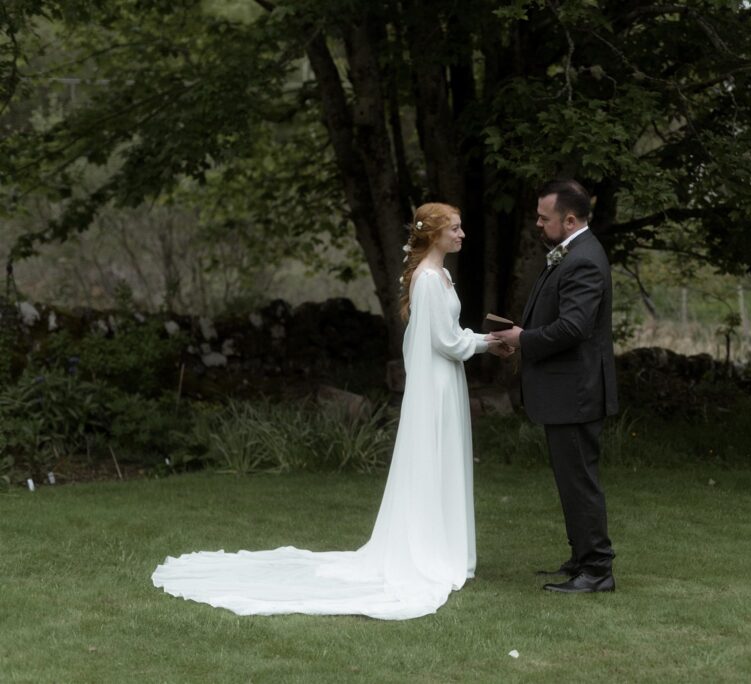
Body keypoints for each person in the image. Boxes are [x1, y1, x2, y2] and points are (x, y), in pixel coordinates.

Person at [152, 203, 505, 619]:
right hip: (437, 383)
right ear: (436, 235)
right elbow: (444, 342)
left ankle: (445, 550)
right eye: (457, 228)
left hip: (446, 380)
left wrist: (483, 339)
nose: (463, 235)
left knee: (445, 459)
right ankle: (430, 554)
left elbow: (444, 336)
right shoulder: (428, 280)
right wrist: (487, 344)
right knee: (432, 459)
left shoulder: (442, 276)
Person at [490, 179, 618, 593]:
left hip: (576, 392)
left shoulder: (583, 258)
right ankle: (581, 559)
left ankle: (597, 570)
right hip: (568, 391)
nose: (538, 224)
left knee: (579, 481)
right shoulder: (572, 251)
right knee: (571, 479)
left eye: (545, 219)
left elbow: (575, 327)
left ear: (570, 219)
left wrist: (523, 340)